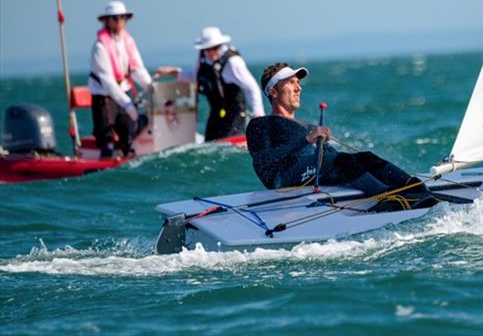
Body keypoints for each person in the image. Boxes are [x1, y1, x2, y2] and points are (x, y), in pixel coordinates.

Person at [246, 62, 434, 210]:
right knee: (340, 160)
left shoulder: (307, 126)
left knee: (363, 157)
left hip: (312, 173)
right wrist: (306, 140)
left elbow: (333, 159)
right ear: (273, 91)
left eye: (298, 83)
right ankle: (388, 197)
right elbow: (263, 159)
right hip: (284, 180)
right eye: (291, 83)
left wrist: (324, 145)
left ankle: (415, 188)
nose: (298, 88)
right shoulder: (260, 124)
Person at [160, 27, 265, 141]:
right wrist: (172, 72)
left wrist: (258, 113)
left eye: (215, 48)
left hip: (235, 113)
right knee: (210, 143)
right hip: (216, 112)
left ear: (221, 45)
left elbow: (251, 87)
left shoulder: (233, 62)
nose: (211, 52)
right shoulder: (202, 59)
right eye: (207, 49)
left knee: (228, 141)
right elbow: (194, 77)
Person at [88, 0, 151, 157]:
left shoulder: (127, 41)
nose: (119, 21)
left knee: (128, 132)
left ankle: (127, 156)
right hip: (104, 96)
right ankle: (105, 162)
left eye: (122, 17)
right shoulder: (100, 47)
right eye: (115, 18)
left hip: (123, 92)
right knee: (107, 137)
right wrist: (127, 104)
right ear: (107, 21)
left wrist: (151, 87)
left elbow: (136, 68)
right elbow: (108, 82)